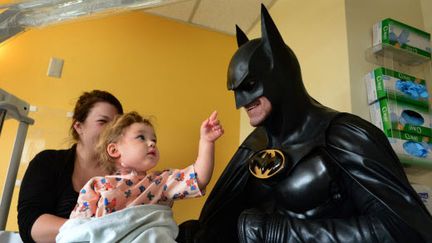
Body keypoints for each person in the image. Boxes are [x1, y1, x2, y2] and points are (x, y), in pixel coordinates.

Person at [178, 5, 432, 243]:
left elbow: (407, 229)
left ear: (281, 74)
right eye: (235, 91)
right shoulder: (255, 146)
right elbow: (227, 219)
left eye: (250, 86)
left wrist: (279, 233)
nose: (241, 103)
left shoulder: (345, 135)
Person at [68, 110, 223, 219]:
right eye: (141, 137)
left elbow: (199, 177)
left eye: (154, 140)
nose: (151, 143)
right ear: (114, 150)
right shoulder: (96, 186)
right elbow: (76, 229)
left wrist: (206, 142)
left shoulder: (161, 181)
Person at [18, 90, 124, 243]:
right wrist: (95, 229)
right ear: (79, 126)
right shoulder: (48, 162)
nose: (112, 130)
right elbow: (31, 225)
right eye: (103, 122)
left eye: (117, 125)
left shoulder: (126, 173)